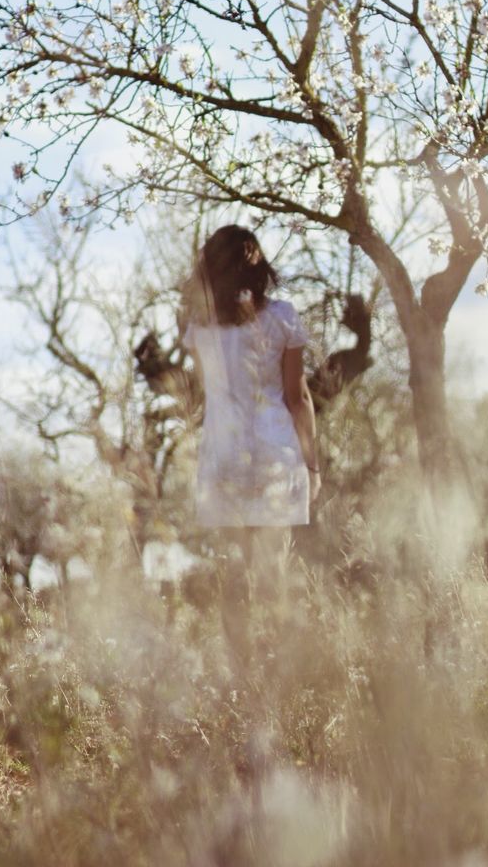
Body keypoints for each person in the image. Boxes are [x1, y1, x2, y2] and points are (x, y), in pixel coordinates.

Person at [181, 225, 320, 657]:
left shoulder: (198, 331)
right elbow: (298, 398)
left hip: (222, 456)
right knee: (272, 572)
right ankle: (275, 673)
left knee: (233, 574)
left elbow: (210, 394)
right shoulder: (282, 318)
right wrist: (313, 465)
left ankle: (242, 675)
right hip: (274, 454)